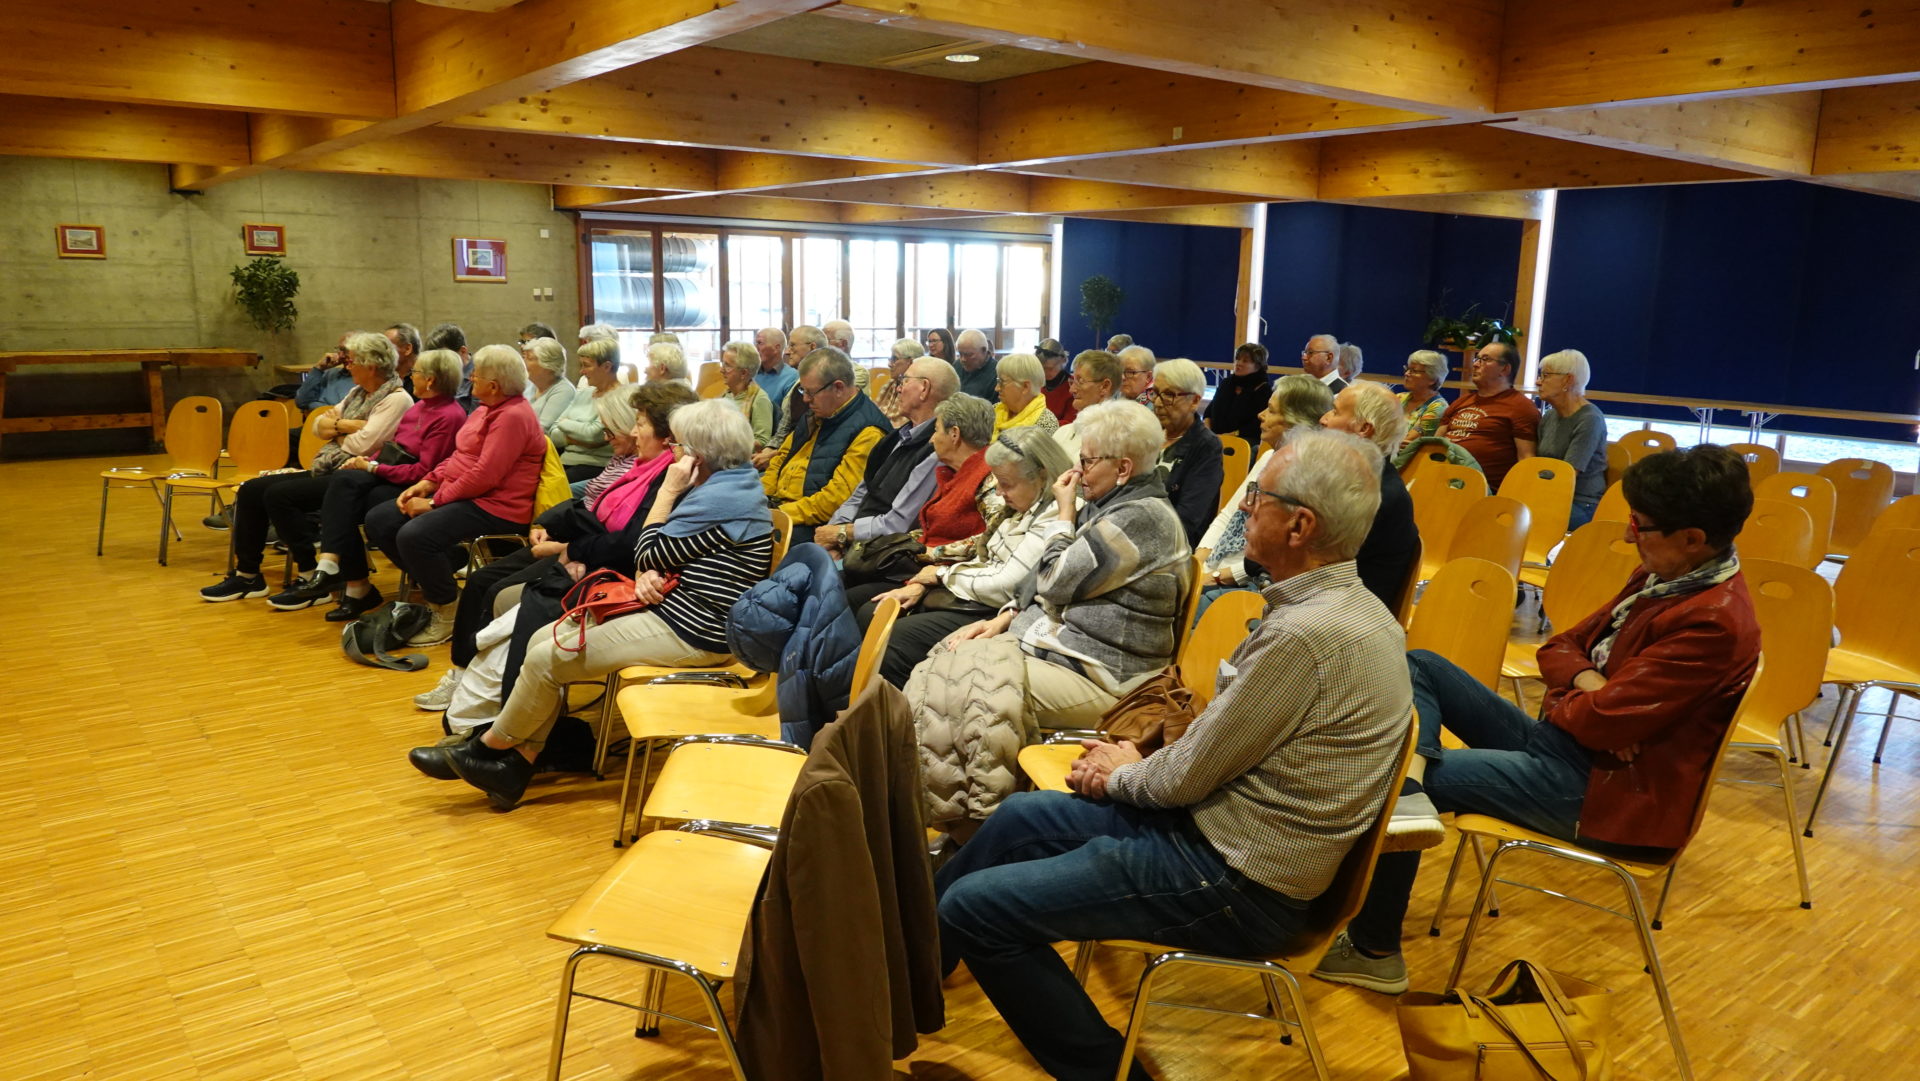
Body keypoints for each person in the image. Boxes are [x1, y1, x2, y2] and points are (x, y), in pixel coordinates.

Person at [935, 428, 1412, 1081]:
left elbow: (1183, 779)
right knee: (1019, 819)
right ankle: (900, 978)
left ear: (1301, 526)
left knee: (977, 909)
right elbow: (1216, 751)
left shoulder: (1308, 634)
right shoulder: (1352, 609)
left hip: (1238, 880)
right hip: (1223, 835)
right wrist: (1134, 763)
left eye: (1259, 498)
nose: (1246, 509)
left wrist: (1121, 772)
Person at [1317, 444, 1759, 996]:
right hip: (1579, 751)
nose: (1629, 537)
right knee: (1421, 665)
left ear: (1693, 538)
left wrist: (1589, 705)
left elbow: (1599, 718)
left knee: (1389, 777)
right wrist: (1592, 689)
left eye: (1640, 526)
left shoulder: (1714, 622)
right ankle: (1409, 790)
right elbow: (1560, 646)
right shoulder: (1668, 576)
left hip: (1604, 794)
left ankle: (1373, 950)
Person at [413, 399, 776, 810]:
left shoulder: (722, 503)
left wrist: (668, 493)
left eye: (678, 445)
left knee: (548, 657)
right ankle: (516, 763)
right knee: (542, 639)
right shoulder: (728, 488)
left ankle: (487, 749)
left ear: (698, 456)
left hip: (694, 630)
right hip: (673, 609)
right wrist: (649, 570)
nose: (673, 452)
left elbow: (647, 550)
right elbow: (656, 558)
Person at [905, 400, 1189, 836]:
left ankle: (978, 822)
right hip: (1066, 650)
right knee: (945, 662)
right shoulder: (1113, 505)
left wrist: (1063, 515)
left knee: (965, 690)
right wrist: (1006, 617)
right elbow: (1038, 582)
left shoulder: (1141, 518)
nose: (1077, 469)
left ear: (1123, 468)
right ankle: (947, 815)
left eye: (1088, 461)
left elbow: (1053, 579)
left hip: (1108, 675)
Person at [414, 382, 696, 713]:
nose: (632, 433)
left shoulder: (669, 476)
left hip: (607, 569)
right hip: (585, 550)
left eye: (639, 424)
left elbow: (629, 542)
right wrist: (550, 527)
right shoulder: (637, 465)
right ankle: (474, 685)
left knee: (504, 595)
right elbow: (593, 506)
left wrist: (571, 548)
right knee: (482, 581)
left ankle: (501, 709)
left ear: (667, 437)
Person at [198, 331, 412, 602]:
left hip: (358, 475)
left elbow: (363, 445)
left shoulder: (397, 399)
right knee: (251, 489)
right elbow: (317, 425)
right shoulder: (358, 393)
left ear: (370, 366)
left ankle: (310, 574)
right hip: (332, 466)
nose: (347, 367)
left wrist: (336, 430)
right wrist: (348, 426)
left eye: (352, 361)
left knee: (279, 495)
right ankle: (247, 576)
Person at [363, 344, 549, 646]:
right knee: (380, 520)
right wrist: (429, 482)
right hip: (470, 495)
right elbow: (460, 456)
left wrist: (434, 501)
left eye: (477, 374)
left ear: (494, 385)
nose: (470, 377)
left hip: (497, 506)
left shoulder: (513, 415)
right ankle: (442, 583)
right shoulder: (485, 408)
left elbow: (485, 475)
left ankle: (446, 610)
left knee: (414, 535)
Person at [865, 426, 1074, 688]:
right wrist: (925, 583)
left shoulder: (1055, 513)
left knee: (893, 640)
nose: (999, 492)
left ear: (1041, 476)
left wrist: (941, 575)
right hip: (977, 595)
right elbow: (985, 561)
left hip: (996, 608)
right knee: (873, 613)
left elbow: (1007, 584)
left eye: (1007, 484)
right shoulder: (1023, 506)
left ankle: (895, 712)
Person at [266, 348, 467, 613]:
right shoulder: (419, 407)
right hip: (392, 474)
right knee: (345, 491)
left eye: (415, 372)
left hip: (415, 484)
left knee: (349, 497)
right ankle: (349, 581)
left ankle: (343, 575)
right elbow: (391, 449)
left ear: (430, 380)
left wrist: (372, 467)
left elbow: (423, 471)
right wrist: (367, 461)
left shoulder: (448, 415)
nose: (410, 376)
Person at [1194, 374, 1333, 601]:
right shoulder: (1269, 457)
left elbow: (1271, 558)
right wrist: (1199, 561)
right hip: (1215, 567)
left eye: (1271, 410)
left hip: (1249, 583)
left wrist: (1214, 577)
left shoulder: (1308, 477)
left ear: (1296, 421)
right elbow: (1229, 514)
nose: (1261, 414)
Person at [817, 357, 958, 556]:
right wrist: (834, 534)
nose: (898, 389)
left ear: (924, 389)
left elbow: (898, 524)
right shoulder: (895, 438)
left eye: (904, 381)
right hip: (853, 541)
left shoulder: (936, 450)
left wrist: (841, 535)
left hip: (881, 552)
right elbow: (861, 493)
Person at [760, 347, 892, 530]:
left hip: (811, 523)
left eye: (811, 393)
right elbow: (779, 460)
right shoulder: (819, 412)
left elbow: (835, 501)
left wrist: (776, 515)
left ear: (838, 387)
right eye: (803, 391)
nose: (805, 399)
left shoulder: (869, 432)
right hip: (780, 509)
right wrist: (759, 498)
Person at [1320, 381, 1419, 611]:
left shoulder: (1378, 497)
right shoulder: (1348, 478)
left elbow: (1312, 568)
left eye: (1334, 412)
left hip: (1341, 617)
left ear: (1364, 429)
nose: (1323, 419)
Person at [1435, 340, 1538, 491]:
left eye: (1485, 359)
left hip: (1484, 489)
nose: (1476, 364)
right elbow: (1436, 443)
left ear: (1505, 369)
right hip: (1442, 478)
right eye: (1477, 359)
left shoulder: (1521, 407)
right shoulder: (1461, 402)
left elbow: (1526, 459)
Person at [1151, 358, 1225, 546]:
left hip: (1172, 544)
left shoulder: (1206, 447)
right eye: (1155, 393)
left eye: (1169, 395)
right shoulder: (1147, 433)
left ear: (1194, 401)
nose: (1157, 403)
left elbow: (1188, 519)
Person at [1535, 349, 1609, 529]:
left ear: (1567, 380)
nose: (1538, 381)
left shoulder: (1590, 419)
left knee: (1524, 518)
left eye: (1545, 375)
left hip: (1581, 502)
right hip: (1549, 496)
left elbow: (1567, 475)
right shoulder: (1550, 416)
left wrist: (1534, 481)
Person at [548, 338, 621, 482]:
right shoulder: (583, 394)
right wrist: (579, 438)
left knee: (551, 489)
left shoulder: (619, 397)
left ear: (606, 366)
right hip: (565, 460)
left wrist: (565, 423)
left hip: (595, 466)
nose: (581, 371)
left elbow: (593, 435)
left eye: (586, 365)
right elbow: (553, 432)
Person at [763, 324, 827, 460]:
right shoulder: (798, 387)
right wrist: (769, 450)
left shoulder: (827, 388)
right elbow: (784, 429)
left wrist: (776, 455)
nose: (787, 352)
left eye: (792, 345)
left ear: (812, 347)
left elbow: (816, 441)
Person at [1052, 349, 1126, 461]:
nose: (1072, 390)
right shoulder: (1062, 432)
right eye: (1072, 381)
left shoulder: (1114, 439)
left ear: (1105, 386)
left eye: (1080, 381)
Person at [1205, 341, 1272, 447]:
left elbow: (1257, 425)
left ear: (1258, 366)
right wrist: (1207, 431)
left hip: (1244, 440)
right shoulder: (1226, 383)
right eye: (1237, 359)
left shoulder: (1263, 390)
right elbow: (1209, 412)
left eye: (1245, 361)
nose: (1238, 363)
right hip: (1215, 437)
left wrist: (1230, 436)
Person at [719, 340, 774, 448]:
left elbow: (762, 441)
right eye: (722, 364)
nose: (721, 370)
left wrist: (726, 446)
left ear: (743, 373)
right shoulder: (727, 395)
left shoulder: (760, 399)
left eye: (727, 366)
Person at [991, 352, 1057, 438]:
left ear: (1025, 387)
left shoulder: (1045, 423)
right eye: (998, 381)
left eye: (1002, 382)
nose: (997, 388)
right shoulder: (994, 411)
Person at [522, 337, 576, 430]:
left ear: (548, 366)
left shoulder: (564, 390)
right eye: (524, 358)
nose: (523, 363)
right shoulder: (530, 384)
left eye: (529, 359)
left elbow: (543, 428)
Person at [1398, 349, 1450, 446]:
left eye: (1414, 371)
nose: (1406, 374)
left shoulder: (1438, 407)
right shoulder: (1399, 398)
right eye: (1407, 369)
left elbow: (1407, 441)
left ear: (1432, 379)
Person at [291, 334, 355, 411]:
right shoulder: (329, 373)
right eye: (340, 349)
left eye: (346, 350)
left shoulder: (362, 380)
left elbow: (344, 411)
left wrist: (314, 406)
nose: (341, 355)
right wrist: (318, 368)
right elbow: (302, 402)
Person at [873, 337, 926, 428]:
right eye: (890, 359)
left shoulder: (918, 390)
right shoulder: (890, 385)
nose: (889, 364)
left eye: (894, 359)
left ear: (911, 362)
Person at [751, 326, 796, 419]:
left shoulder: (792, 377)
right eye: (755, 343)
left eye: (760, 343)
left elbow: (787, 418)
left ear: (777, 348)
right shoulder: (750, 373)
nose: (755, 348)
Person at [1034, 338, 1075, 424]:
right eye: (1041, 368)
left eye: (1050, 369)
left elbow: (1069, 423)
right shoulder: (1033, 383)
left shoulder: (1073, 387)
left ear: (1063, 361)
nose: (1045, 373)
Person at [953, 328, 998, 402]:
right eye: (960, 354)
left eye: (969, 355)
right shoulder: (957, 366)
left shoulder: (997, 373)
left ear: (983, 350)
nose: (963, 359)